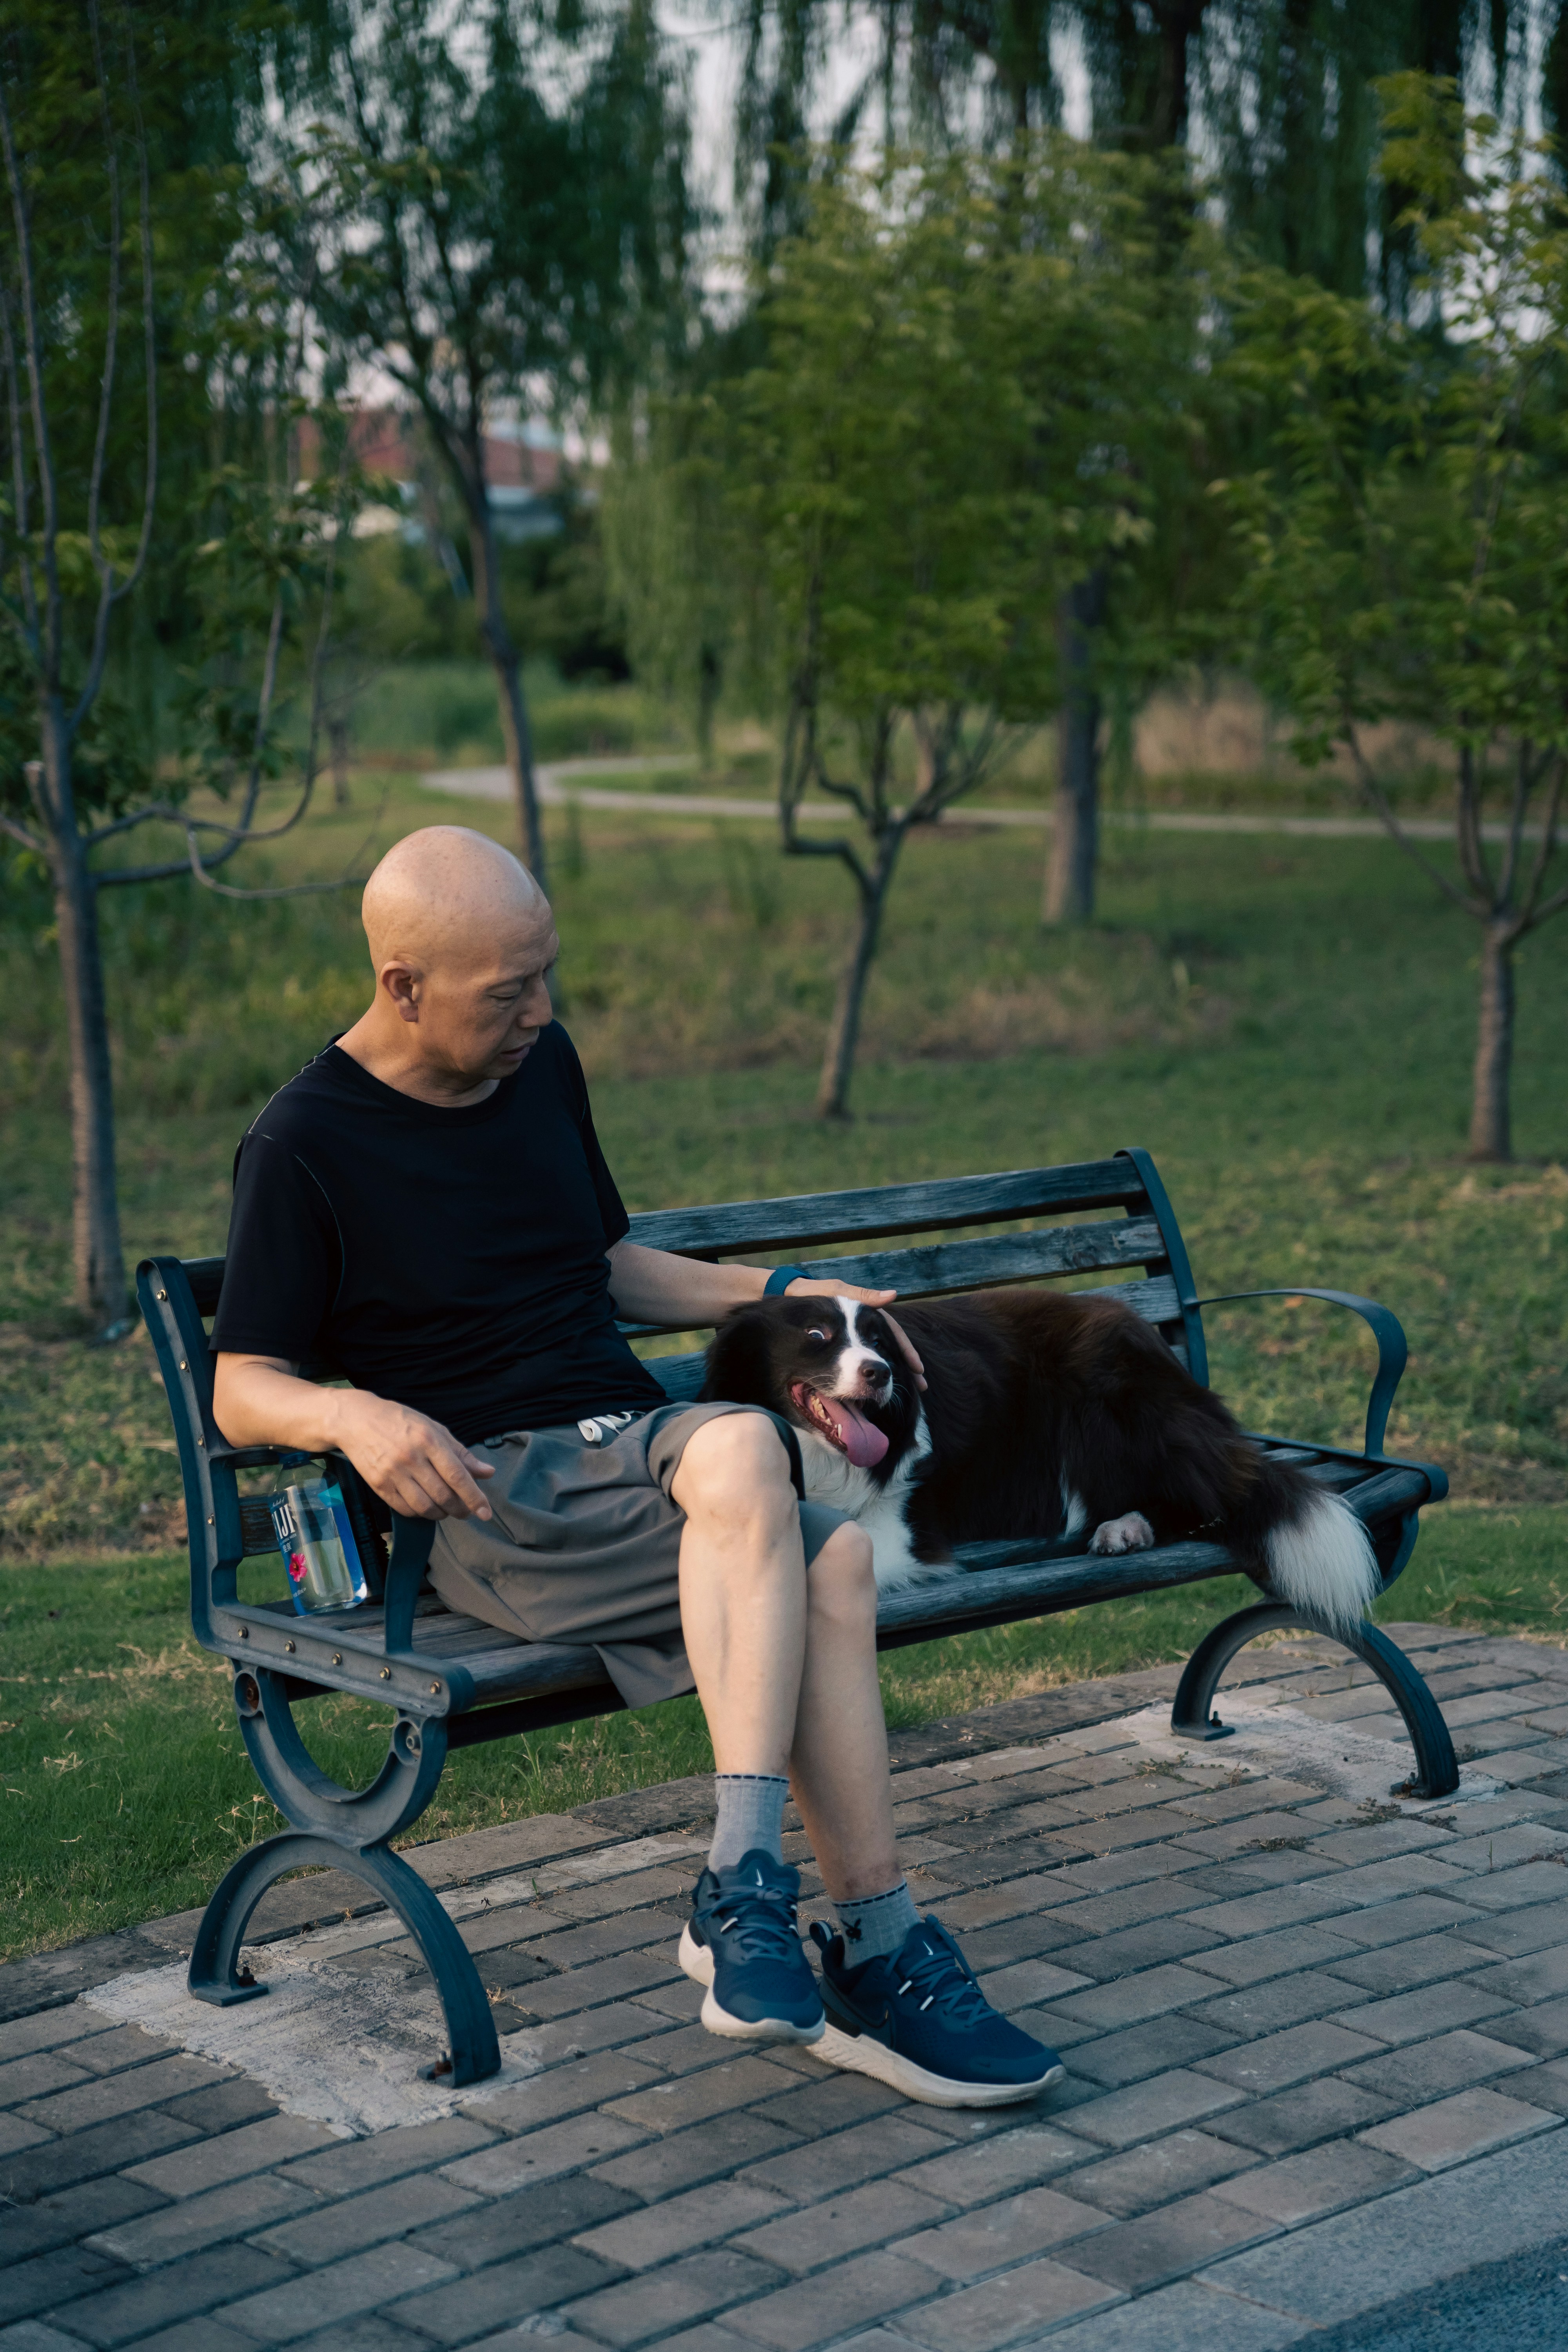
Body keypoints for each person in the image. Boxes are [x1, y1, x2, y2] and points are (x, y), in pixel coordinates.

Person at [211, 826, 1061, 2108]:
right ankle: (769, 1902)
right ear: (402, 985)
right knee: (784, 1504)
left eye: (547, 978)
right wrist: (355, 1419)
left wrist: (783, 1290)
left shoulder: (539, 1071)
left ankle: (844, 1934)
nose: (541, 1016)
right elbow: (239, 1387)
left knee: (812, 1548)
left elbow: (608, 1265)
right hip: (494, 1500)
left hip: (642, 1459)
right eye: (509, 993)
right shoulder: (304, 1144)